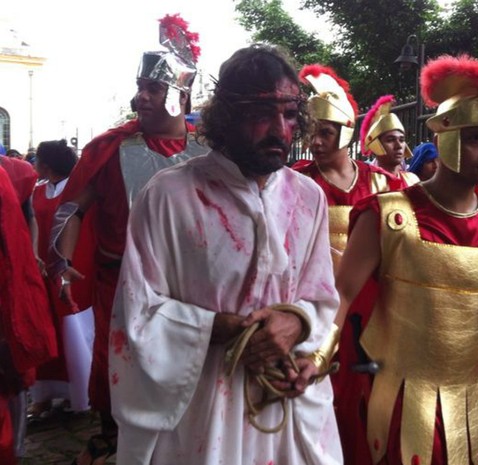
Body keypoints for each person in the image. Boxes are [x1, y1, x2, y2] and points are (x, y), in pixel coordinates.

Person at [109, 43, 342, 465]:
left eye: (289, 115)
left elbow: (322, 297)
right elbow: (137, 313)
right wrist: (224, 328)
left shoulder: (308, 197)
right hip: (199, 414)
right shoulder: (169, 196)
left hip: (284, 411)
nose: (281, 130)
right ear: (228, 115)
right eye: (261, 112)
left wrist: (298, 323)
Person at [331, 55, 478, 465]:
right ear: (444, 136)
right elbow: (342, 293)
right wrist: (313, 357)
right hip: (395, 397)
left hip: (470, 401)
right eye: (475, 138)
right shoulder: (386, 213)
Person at [47, 14, 206, 465]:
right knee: (119, 368)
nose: (141, 96)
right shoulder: (112, 147)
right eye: (140, 86)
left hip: (185, 285)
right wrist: (62, 262)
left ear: (178, 94)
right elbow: (71, 209)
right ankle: (113, 438)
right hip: (118, 281)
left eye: (153, 89)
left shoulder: (210, 151)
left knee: (183, 366)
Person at [292, 66, 405, 465]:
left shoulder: (384, 185)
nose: (316, 141)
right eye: (312, 131)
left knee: (370, 392)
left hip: (373, 307)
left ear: (346, 131)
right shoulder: (296, 181)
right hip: (316, 302)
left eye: (326, 131)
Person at [30, 140, 94, 418]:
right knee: (46, 330)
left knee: (72, 330)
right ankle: (43, 395)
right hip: (43, 271)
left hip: (72, 270)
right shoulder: (36, 192)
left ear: (46, 164)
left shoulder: (79, 191)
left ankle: (79, 394)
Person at [0, 165, 57, 464]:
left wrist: (30, 254)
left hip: (9, 282)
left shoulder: (16, 173)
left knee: (12, 371)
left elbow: (26, 219)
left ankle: (14, 449)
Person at [360, 94, 419, 186]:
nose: (398, 146)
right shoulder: (364, 183)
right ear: (376, 144)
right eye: (390, 140)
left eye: (402, 140)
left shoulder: (412, 181)